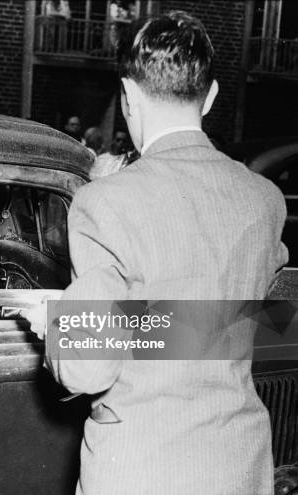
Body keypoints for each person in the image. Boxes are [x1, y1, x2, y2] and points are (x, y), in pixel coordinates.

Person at [27, 11, 287, 494]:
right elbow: (237, 321)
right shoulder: (265, 201)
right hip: (239, 466)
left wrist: (63, 322)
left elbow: (87, 368)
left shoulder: (105, 202)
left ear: (127, 96)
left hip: (141, 470)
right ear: (209, 97)